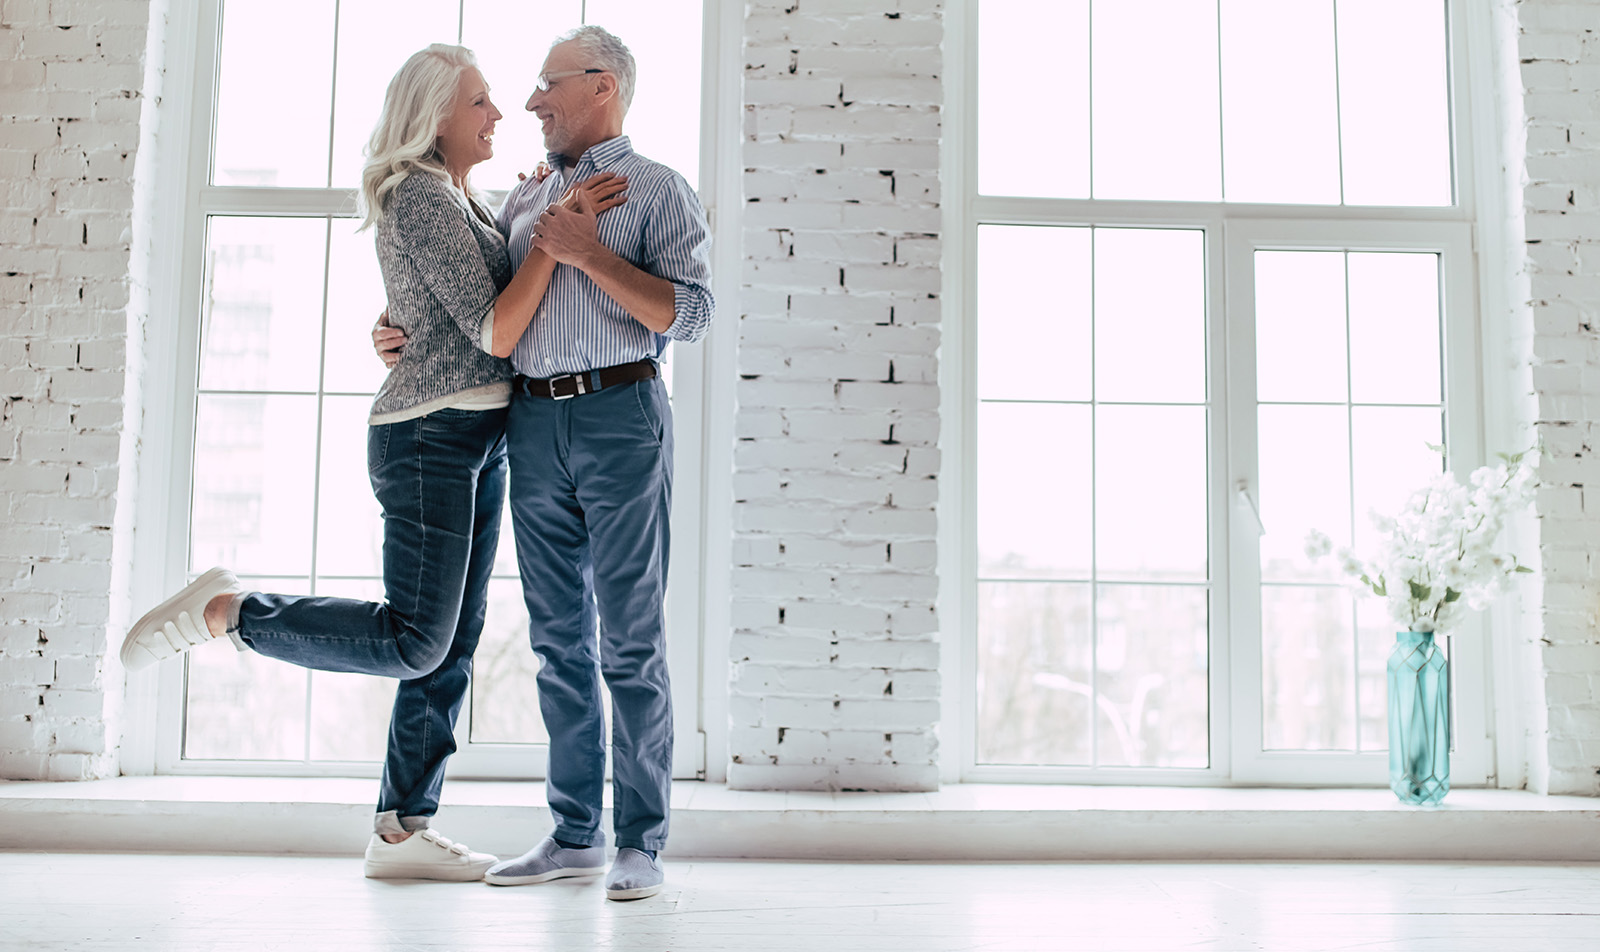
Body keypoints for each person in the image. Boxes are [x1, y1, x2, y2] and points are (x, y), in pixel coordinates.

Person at [120, 44, 626, 882]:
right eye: (479, 101)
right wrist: (556, 237)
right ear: (433, 115)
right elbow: (496, 329)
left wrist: (523, 224)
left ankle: (401, 830)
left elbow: (453, 309)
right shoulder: (419, 195)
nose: (498, 114)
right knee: (416, 641)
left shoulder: (461, 198)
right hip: (428, 439)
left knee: (452, 642)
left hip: (479, 436)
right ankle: (230, 612)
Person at [375, 25, 713, 902]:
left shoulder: (659, 190)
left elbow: (692, 315)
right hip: (529, 421)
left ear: (602, 86)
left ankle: (641, 841)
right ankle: (574, 835)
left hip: (621, 415)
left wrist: (587, 251)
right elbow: (476, 302)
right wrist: (397, 330)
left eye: (546, 84)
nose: (529, 103)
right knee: (559, 642)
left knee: (630, 640)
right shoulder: (522, 199)